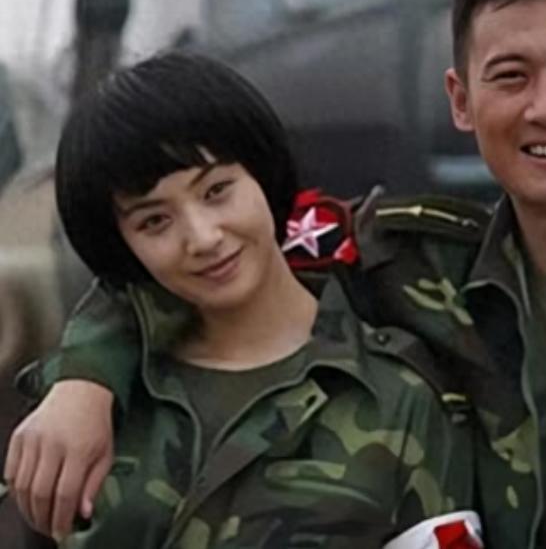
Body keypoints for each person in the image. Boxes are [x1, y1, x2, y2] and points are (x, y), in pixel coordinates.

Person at [8, 0, 546, 547]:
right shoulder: (412, 260)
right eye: (509, 76)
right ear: (461, 99)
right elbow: (205, 252)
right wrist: (85, 380)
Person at [2, 52, 481, 548]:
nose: (203, 237)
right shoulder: (91, 407)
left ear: (261, 175)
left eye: (216, 191)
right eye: (154, 221)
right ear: (123, 246)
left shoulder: (398, 397)